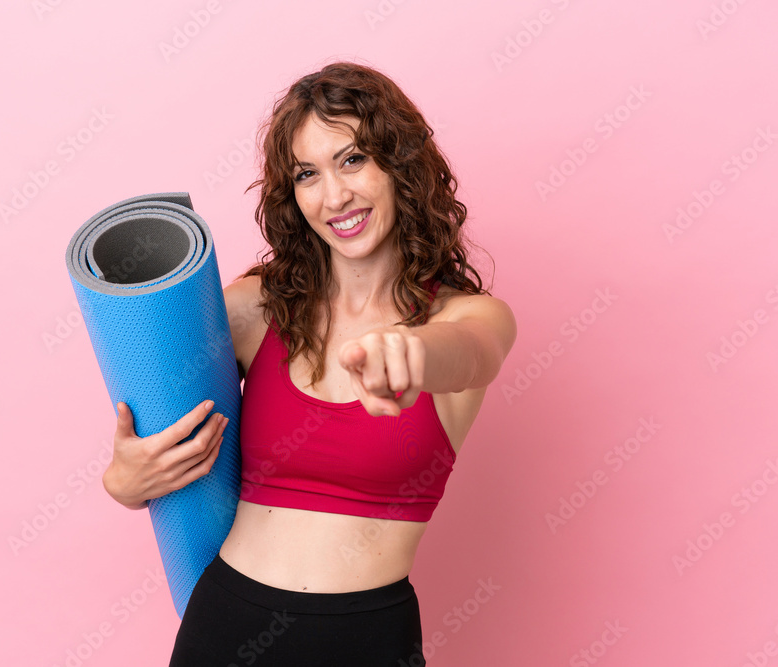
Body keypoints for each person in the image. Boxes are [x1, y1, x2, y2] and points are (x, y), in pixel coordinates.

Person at [102, 61, 517, 666]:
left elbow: (474, 355)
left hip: (366, 640)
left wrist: (411, 355)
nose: (334, 195)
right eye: (307, 174)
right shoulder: (258, 308)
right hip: (224, 627)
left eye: (352, 159)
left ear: (400, 164)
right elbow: (157, 407)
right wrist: (123, 483)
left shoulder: (464, 318)